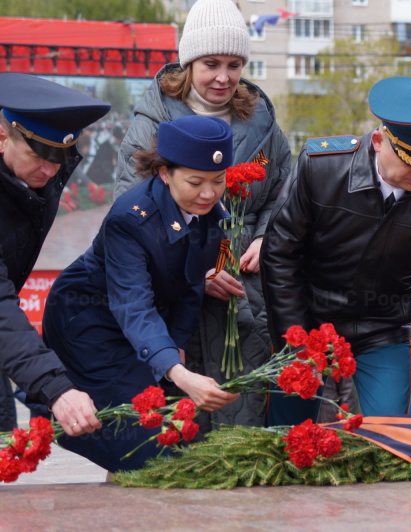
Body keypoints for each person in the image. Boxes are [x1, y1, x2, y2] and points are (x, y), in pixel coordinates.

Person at [262, 76, 411, 425]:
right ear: (378, 140)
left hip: (381, 326)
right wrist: (295, 339)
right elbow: (280, 252)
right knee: (289, 434)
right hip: (308, 317)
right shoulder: (321, 167)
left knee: (390, 434)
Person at [113, 0, 292, 429]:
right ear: (188, 63)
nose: (224, 77)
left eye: (235, 64)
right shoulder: (152, 120)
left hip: (243, 288)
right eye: (211, 63)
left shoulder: (263, 121)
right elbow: (130, 206)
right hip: (172, 289)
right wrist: (198, 273)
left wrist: (267, 236)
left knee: (239, 407)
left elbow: (287, 191)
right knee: (175, 420)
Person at [43, 115, 240, 472]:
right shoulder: (130, 219)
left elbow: (191, 282)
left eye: (218, 180)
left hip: (143, 325)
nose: (209, 193)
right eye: (195, 182)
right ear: (165, 173)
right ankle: (57, 420)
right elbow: (133, 304)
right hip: (90, 321)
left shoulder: (211, 215)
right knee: (144, 442)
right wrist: (177, 372)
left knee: (175, 437)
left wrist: (175, 343)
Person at [0, 73, 110, 435]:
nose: (49, 170)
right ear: (1, 136)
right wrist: (55, 389)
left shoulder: (36, 175)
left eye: (58, 158)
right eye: (36, 155)